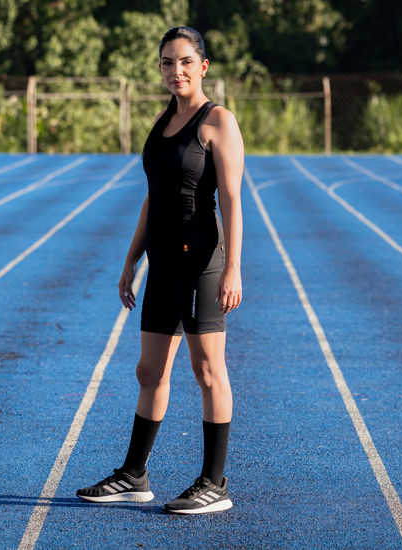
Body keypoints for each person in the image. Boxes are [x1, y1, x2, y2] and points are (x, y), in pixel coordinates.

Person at [76, 25, 244, 515]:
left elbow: (232, 200)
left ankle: (215, 482)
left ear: (204, 66)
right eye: (168, 62)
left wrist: (233, 267)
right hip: (163, 262)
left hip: (203, 262)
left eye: (186, 61)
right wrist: (132, 258)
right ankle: (134, 475)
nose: (177, 71)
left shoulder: (218, 122)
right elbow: (153, 198)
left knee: (208, 369)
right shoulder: (162, 122)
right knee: (149, 370)